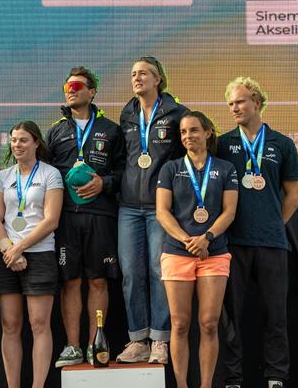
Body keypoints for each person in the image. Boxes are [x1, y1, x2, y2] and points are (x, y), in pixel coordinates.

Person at [218, 77, 298, 388]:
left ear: (257, 101)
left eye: (239, 101)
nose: (234, 108)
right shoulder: (224, 144)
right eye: (230, 104)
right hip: (233, 242)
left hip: (271, 243)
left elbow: (294, 195)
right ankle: (233, 377)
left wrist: (273, 223)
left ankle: (276, 376)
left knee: (276, 315)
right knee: (232, 317)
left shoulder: (282, 144)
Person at [47, 67, 126, 367]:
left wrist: (103, 183)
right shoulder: (55, 131)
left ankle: (96, 344)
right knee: (70, 281)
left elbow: (123, 172)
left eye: (78, 85)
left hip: (101, 215)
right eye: (68, 85)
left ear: (92, 91)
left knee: (97, 282)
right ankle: (71, 345)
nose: (71, 89)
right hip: (66, 216)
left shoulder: (111, 129)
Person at [156, 111, 239, 388]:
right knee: (179, 325)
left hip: (213, 253)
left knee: (209, 323)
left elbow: (229, 212)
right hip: (177, 252)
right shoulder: (170, 169)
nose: (188, 137)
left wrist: (207, 237)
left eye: (193, 130)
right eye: (183, 133)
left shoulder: (226, 169)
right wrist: (187, 240)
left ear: (208, 132)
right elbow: (162, 212)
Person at [116, 55, 189, 364]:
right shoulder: (127, 114)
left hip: (162, 208)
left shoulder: (176, 113)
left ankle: (160, 339)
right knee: (131, 273)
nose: (137, 78)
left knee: (160, 272)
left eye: (144, 73)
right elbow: (125, 159)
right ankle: (137, 340)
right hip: (129, 207)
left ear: (159, 79)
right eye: (134, 73)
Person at [0, 121, 64, 388]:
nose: (17, 145)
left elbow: (51, 220)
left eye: (23, 140)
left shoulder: (50, 174)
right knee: (10, 325)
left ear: (36, 143)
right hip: (7, 256)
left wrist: (21, 248)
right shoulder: (3, 176)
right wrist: (8, 249)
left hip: (40, 254)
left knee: (38, 324)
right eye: (13, 140)